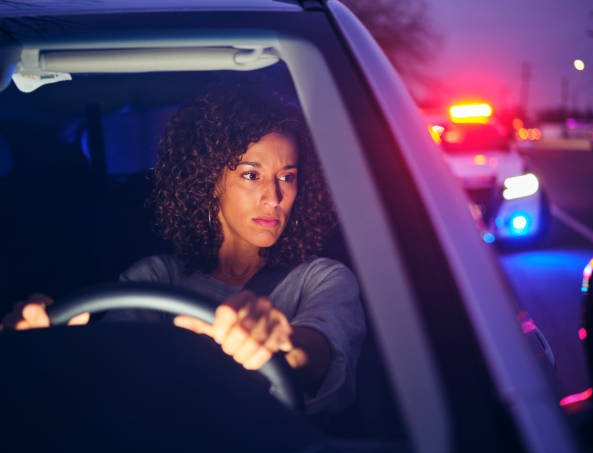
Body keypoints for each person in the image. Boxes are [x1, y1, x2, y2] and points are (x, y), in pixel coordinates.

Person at [1, 82, 366, 415]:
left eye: (287, 176)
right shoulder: (155, 276)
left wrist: (281, 345)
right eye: (251, 175)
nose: (274, 197)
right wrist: (48, 350)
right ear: (210, 180)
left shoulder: (324, 278)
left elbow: (318, 352)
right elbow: (113, 370)